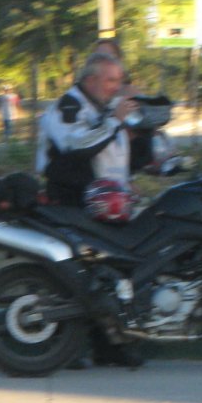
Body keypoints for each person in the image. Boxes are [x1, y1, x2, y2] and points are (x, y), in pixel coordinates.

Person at [36, 50, 146, 368]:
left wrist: (129, 177)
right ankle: (68, 346)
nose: (117, 87)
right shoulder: (68, 107)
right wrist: (115, 121)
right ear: (91, 79)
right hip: (68, 201)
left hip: (104, 203)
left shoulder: (103, 110)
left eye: (120, 81)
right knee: (77, 275)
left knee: (111, 272)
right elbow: (78, 146)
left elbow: (110, 159)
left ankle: (109, 348)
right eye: (111, 80)